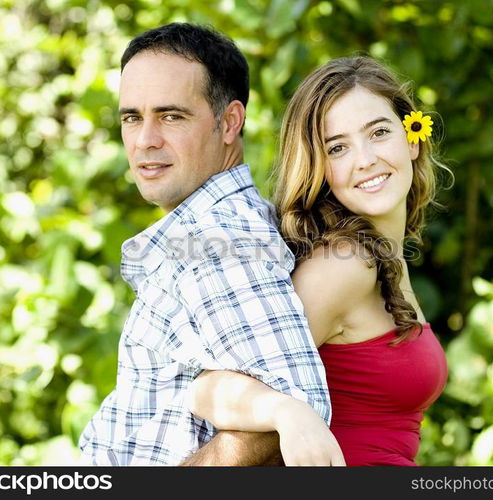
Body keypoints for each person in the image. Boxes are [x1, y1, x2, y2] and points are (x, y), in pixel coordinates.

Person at [78, 22, 342, 466]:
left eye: (171, 116)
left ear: (229, 122)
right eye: (131, 118)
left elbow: (295, 409)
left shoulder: (217, 239)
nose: (145, 140)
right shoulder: (215, 228)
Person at [187, 56, 450, 466]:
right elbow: (206, 389)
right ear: (320, 167)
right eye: (338, 147)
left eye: (379, 132)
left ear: (412, 137)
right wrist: (285, 412)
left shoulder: (381, 258)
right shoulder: (343, 267)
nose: (365, 160)